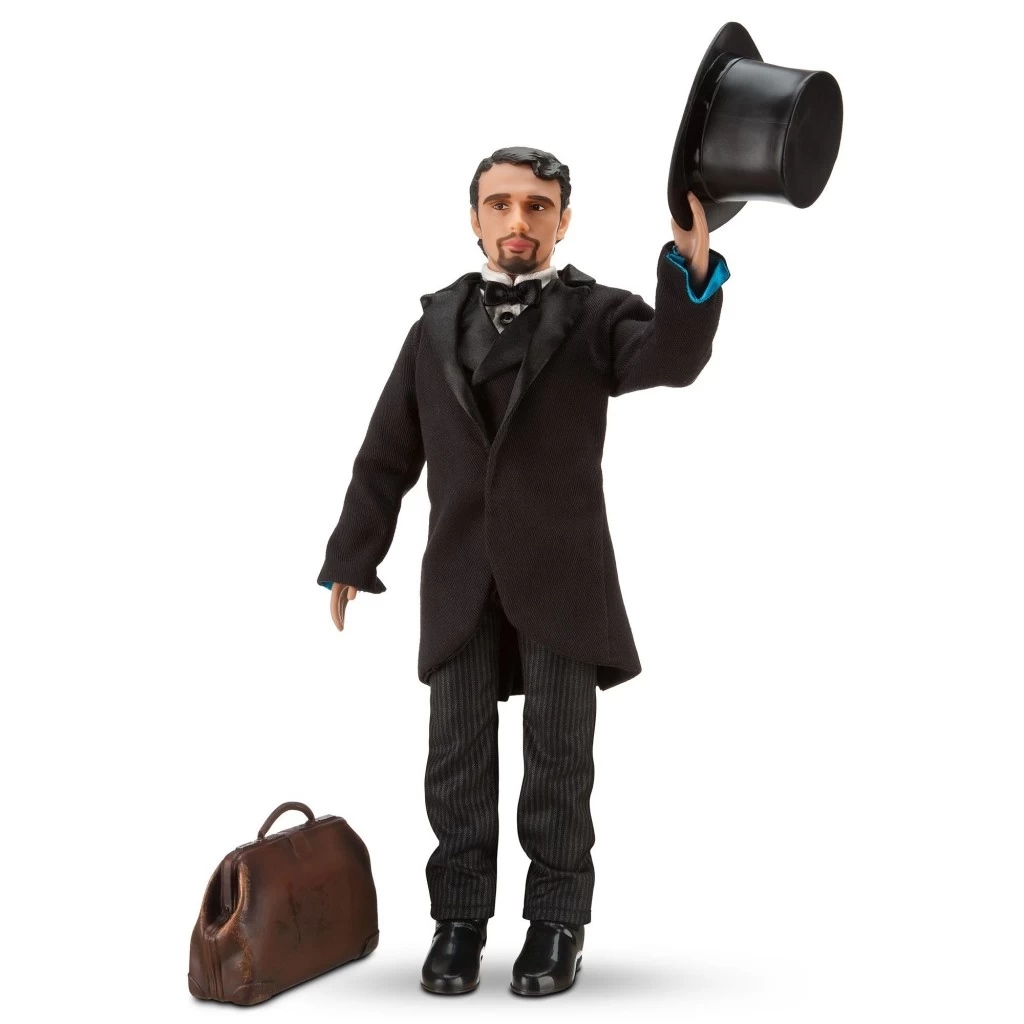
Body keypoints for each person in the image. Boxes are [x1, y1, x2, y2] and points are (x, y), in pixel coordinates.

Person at [318, 146, 729, 996]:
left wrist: (689, 268)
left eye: (537, 206)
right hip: (461, 574)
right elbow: (388, 451)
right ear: (474, 219)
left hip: (562, 575)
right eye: (500, 204)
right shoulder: (433, 325)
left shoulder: (597, 315)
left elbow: (673, 358)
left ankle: (556, 921)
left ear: (563, 221)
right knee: (455, 755)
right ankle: (459, 920)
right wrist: (354, 554)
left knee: (559, 757)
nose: (518, 221)